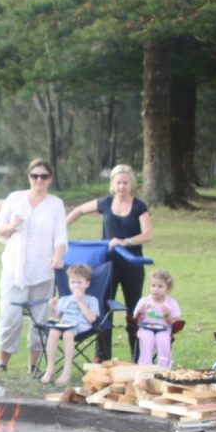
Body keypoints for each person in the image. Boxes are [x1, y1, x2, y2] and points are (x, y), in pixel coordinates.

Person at [66, 164, 153, 360]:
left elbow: (148, 234)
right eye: (118, 183)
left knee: (134, 310)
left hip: (132, 266)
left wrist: (125, 241)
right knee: (104, 310)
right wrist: (62, 227)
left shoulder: (139, 206)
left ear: (131, 184)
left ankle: (139, 357)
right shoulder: (105, 203)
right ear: (113, 185)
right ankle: (102, 357)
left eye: (126, 182)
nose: (122, 186)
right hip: (107, 267)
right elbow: (79, 210)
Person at [0, 158, 68, 374]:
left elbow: (61, 236)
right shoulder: (15, 198)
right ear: (29, 177)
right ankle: (2, 364)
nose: (39, 180)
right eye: (35, 175)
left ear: (50, 179)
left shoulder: (55, 204)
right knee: (9, 316)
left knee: (40, 319)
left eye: (44, 176)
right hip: (13, 268)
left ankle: (33, 366)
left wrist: (57, 256)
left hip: (43, 270)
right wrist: (13, 225)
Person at [40, 264, 100, 386]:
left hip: (80, 326)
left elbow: (92, 319)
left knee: (68, 334)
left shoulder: (91, 300)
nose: (76, 285)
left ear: (87, 284)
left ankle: (67, 371)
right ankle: (50, 368)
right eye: (73, 282)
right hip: (64, 324)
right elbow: (56, 318)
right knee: (53, 331)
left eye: (79, 282)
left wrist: (79, 301)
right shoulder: (64, 299)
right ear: (69, 283)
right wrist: (53, 308)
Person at [131, 270, 182, 368]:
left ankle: (163, 368)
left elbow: (176, 323)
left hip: (164, 329)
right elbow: (135, 319)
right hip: (145, 328)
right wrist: (140, 312)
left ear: (168, 289)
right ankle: (145, 367)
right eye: (153, 285)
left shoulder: (171, 303)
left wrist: (167, 315)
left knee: (162, 339)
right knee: (147, 337)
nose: (156, 289)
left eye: (160, 286)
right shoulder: (144, 301)